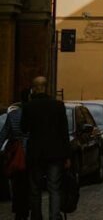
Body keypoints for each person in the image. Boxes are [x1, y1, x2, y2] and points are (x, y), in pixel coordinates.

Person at [21, 76, 70, 220]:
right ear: (47, 87)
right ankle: (54, 217)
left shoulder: (29, 106)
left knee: (35, 188)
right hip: (55, 153)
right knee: (54, 188)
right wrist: (67, 155)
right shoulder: (58, 105)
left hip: (35, 153)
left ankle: (36, 216)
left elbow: (24, 129)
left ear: (34, 88)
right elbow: (64, 132)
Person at [3, 93, 30, 220]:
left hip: (15, 154)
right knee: (29, 184)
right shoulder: (33, 114)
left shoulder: (13, 115)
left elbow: (4, 133)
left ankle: (19, 209)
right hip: (30, 153)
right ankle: (27, 208)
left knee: (17, 184)